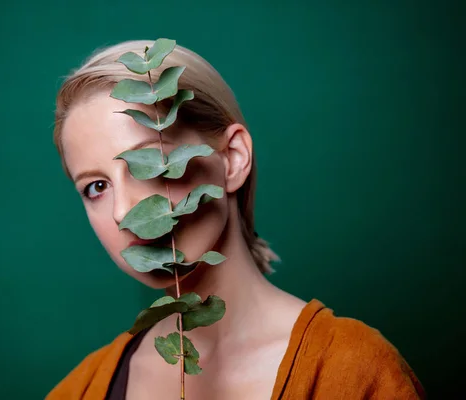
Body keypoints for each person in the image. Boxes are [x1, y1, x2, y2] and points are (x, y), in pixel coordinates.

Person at [45, 40, 425, 399]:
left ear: (233, 158)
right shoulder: (81, 389)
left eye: (150, 162)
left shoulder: (354, 374)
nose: (123, 212)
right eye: (96, 186)